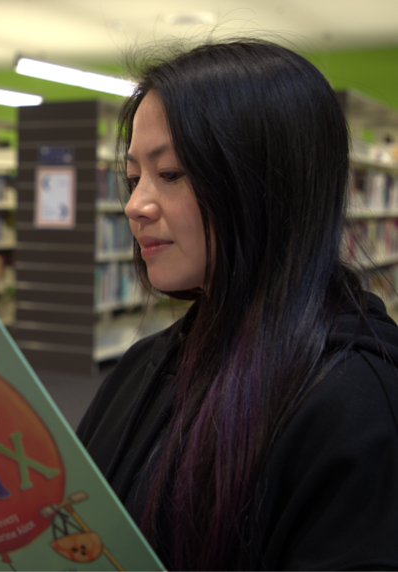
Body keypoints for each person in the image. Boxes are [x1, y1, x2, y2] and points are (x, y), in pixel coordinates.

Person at [77, 39, 398, 570]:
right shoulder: (147, 364)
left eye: (171, 174)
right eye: (134, 178)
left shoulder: (360, 411)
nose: (135, 205)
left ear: (267, 183)